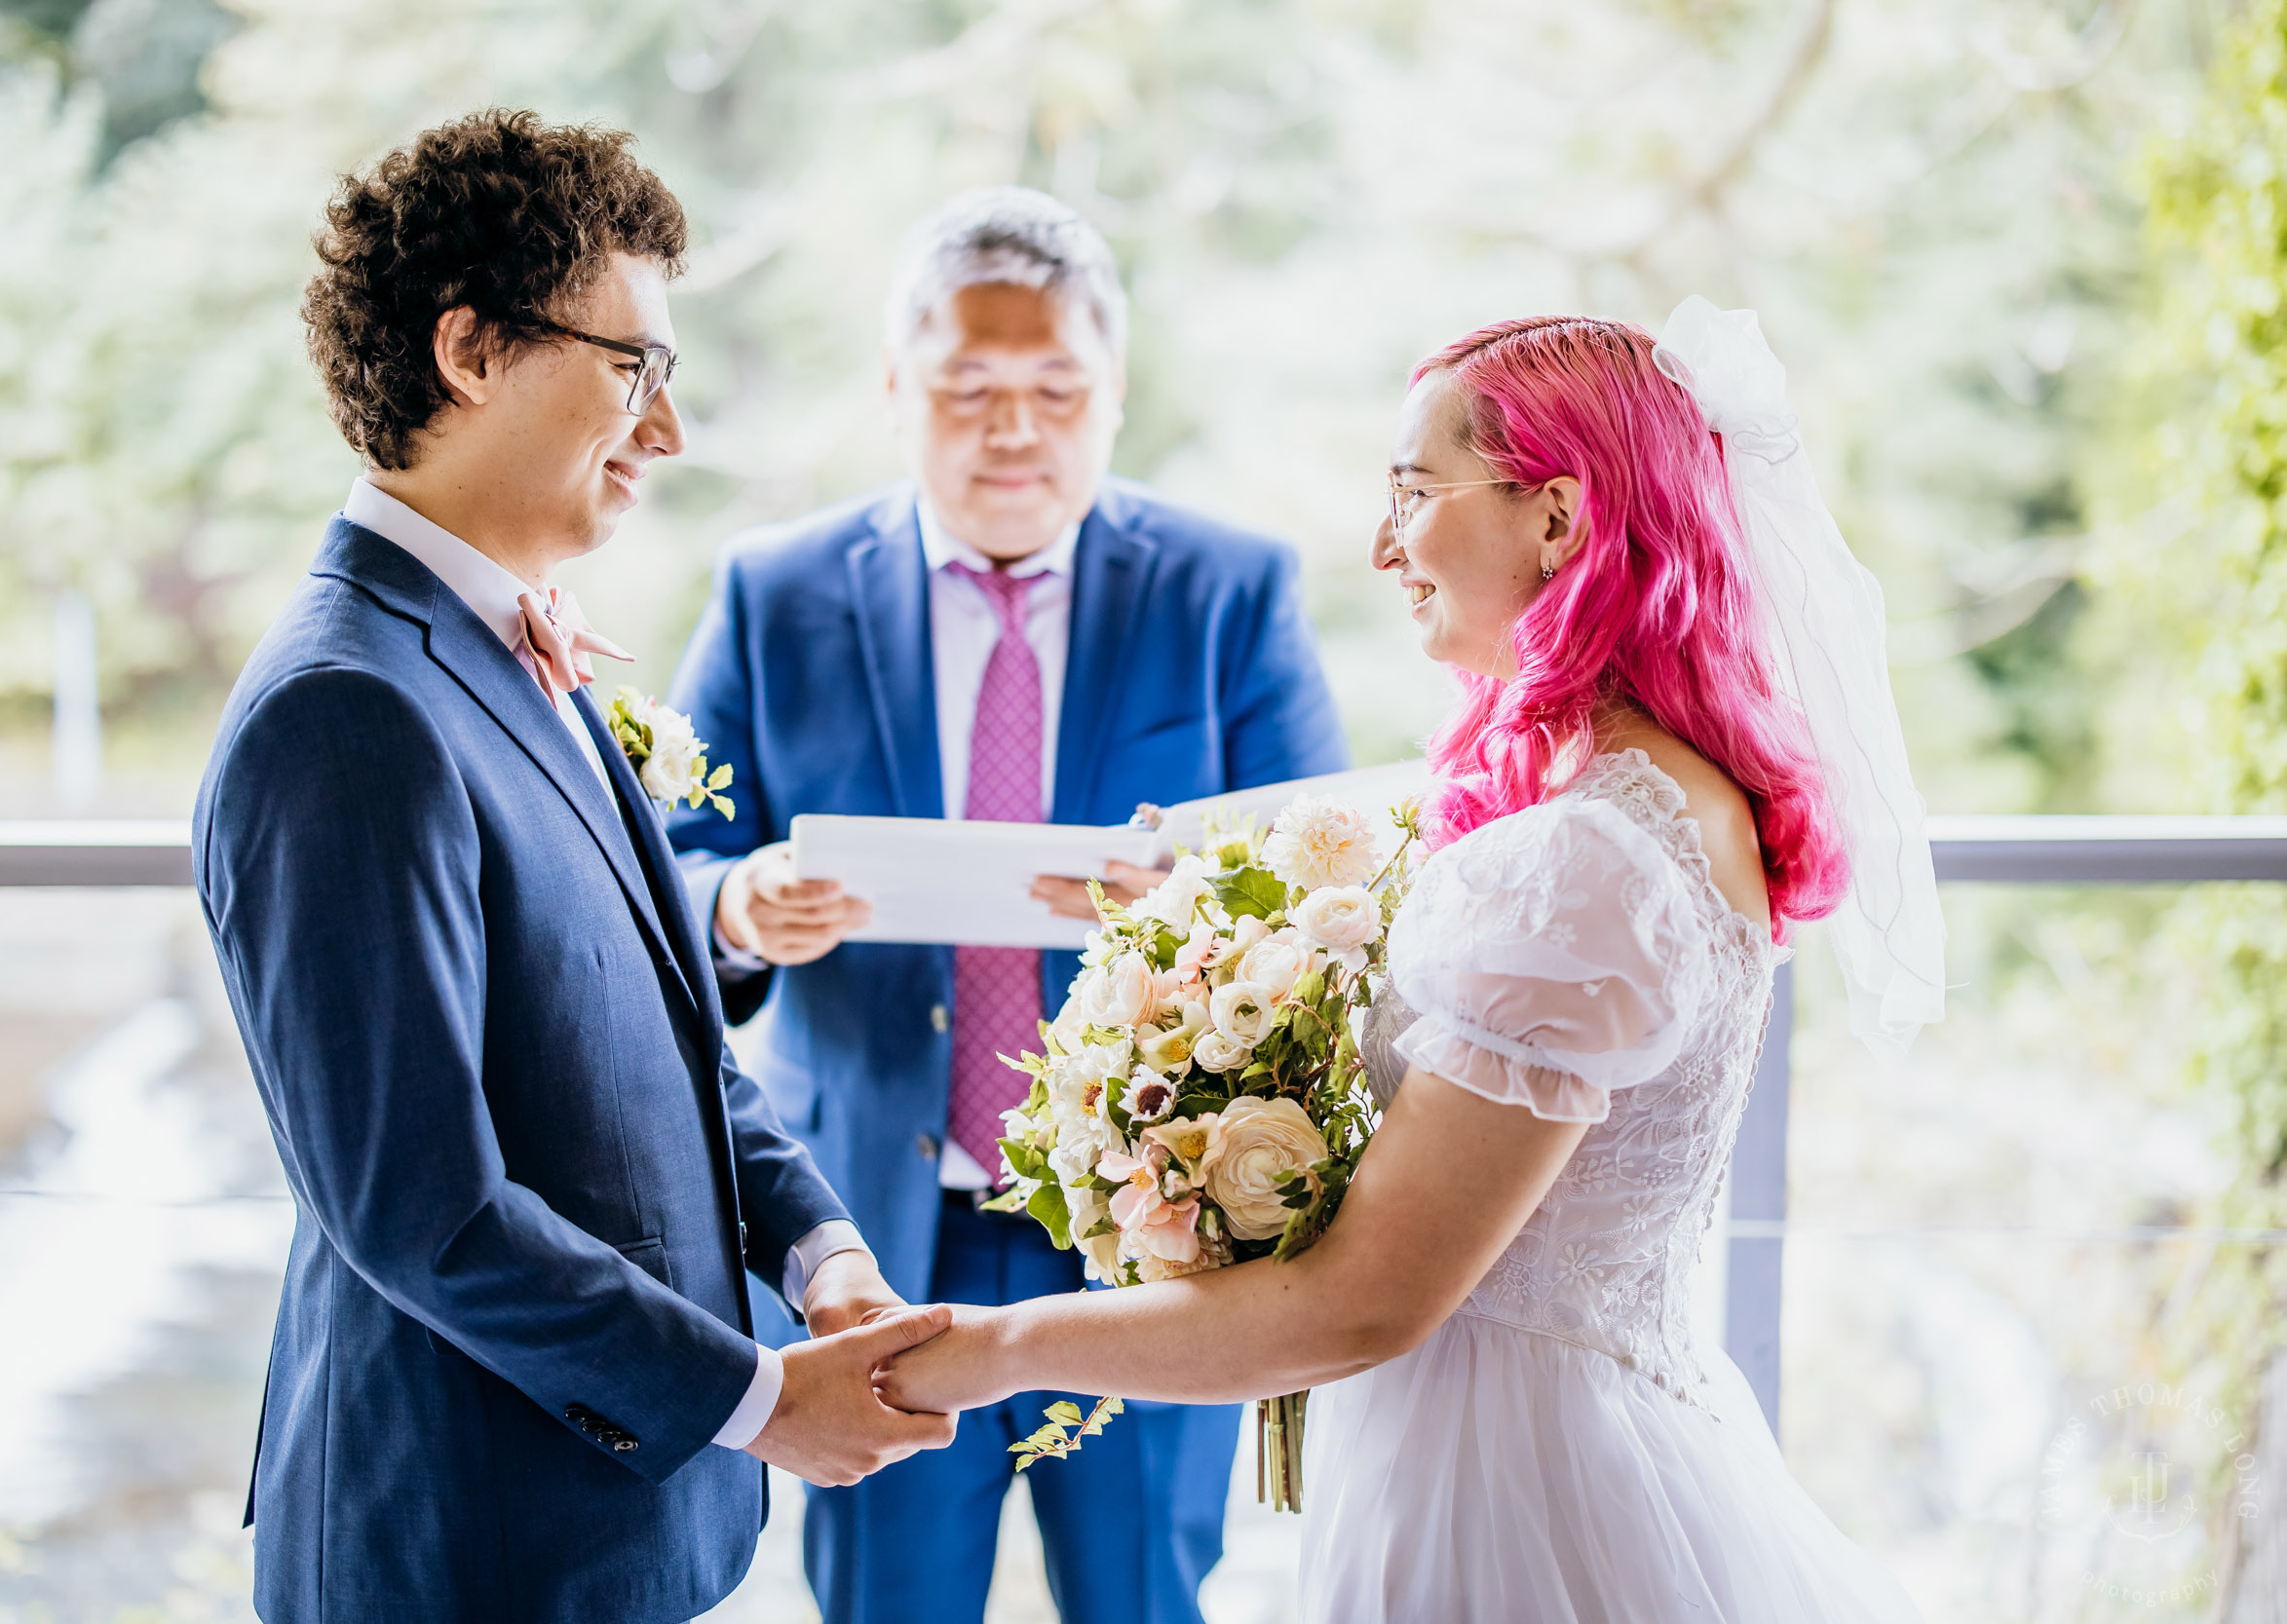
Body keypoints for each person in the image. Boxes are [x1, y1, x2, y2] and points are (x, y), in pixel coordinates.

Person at [879, 306, 1947, 1621]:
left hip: (1513, 1494)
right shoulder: (1646, 797)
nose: (1385, 547)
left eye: (1414, 494)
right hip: (1570, 1426)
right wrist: (1214, 896)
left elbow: (1361, 1305)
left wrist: (994, 1350)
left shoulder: (1588, 860)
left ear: (1557, 519)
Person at [192, 110, 954, 1624]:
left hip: (614, 1525)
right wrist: (754, 1397)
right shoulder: (344, 712)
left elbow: (674, 1032)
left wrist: (823, 1258)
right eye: (634, 369)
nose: (665, 431)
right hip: (465, 1542)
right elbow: (424, 1208)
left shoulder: (517, 646)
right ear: (471, 351)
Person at [665, 187, 1351, 1624]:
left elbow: (1332, 879)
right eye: (968, 387)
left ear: (1113, 396)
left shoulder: (1228, 590)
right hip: (868, 1230)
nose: (1012, 428)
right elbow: (659, 868)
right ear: (898, 385)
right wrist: (741, 906)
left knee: (1145, 1600)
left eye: (1056, 389)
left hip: (1153, 1232)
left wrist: (1193, 903)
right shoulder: (775, 592)